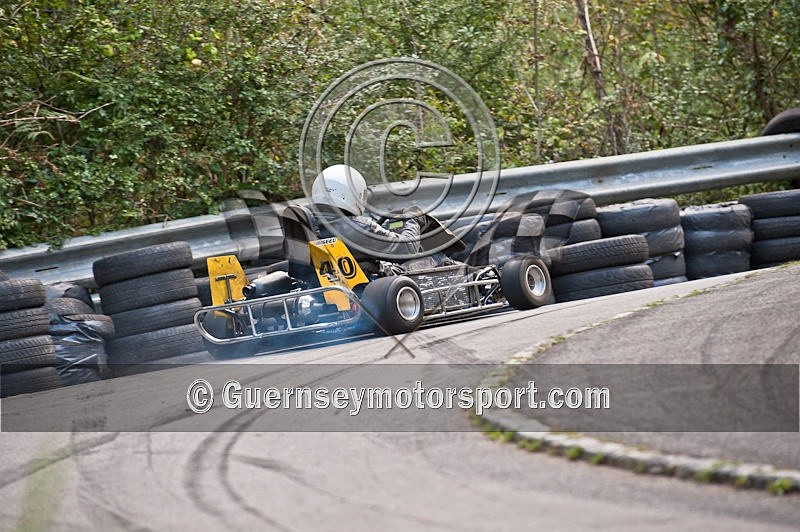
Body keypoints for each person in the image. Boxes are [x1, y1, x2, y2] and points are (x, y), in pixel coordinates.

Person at [310, 164, 426, 263]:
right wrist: (413, 220)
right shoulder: (359, 228)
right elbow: (408, 249)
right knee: (436, 258)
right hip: (367, 283)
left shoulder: (307, 221)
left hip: (322, 281)